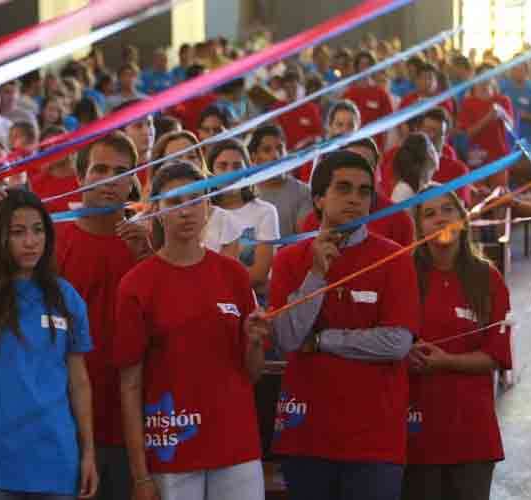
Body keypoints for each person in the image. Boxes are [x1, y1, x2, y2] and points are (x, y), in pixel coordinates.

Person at [269, 151, 420, 500]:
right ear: (319, 198)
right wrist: (317, 275)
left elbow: (397, 342)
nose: (355, 198)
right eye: (344, 188)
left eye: (364, 191)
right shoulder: (290, 259)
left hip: (374, 441)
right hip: (306, 437)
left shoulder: (394, 259)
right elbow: (289, 339)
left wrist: (322, 340)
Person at [115, 161, 270, 500]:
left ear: (207, 208)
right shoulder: (136, 285)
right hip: (172, 448)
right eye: (174, 203)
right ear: (156, 209)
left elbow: (252, 372)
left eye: (195, 201)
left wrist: (256, 343)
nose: (186, 212)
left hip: (235, 447)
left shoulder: (234, 275)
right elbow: (130, 385)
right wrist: (140, 476)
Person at [0, 183, 98, 499]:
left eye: (38, 230)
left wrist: (88, 451)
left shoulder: (67, 298)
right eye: (18, 232)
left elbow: (79, 382)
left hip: (54, 454)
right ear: (1, 238)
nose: (30, 241)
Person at [56, 132, 150, 500]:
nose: (110, 179)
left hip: (132, 423)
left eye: (121, 171)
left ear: (133, 182)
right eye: (100, 169)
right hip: (68, 421)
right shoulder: (53, 242)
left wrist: (147, 256)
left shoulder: (145, 242)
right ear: (80, 178)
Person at [401, 188, 510, 500]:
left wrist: (446, 361)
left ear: (462, 219)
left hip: (472, 435)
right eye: (430, 214)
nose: (440, 219)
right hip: (414, 433)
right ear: (419, 226)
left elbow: (495, 356)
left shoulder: (487, 278)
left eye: (448, 209)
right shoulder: (403, 274)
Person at [206, 140, 280, 302]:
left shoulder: (265, 211)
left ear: (248, 171)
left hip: (252, 300)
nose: (230, 173)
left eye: (237, 166)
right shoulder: (203, 213)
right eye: (222, 166)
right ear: (210, 172)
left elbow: (259, 275)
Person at [249, 125, 312, 238]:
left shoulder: (303, 191)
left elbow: (304, 238)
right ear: (254, 157)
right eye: (267, 150)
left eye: (280, 148)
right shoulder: (244, 193)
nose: (276, 155)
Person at [457, 64, 514, 188]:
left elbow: (511, 127)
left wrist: (502, 114)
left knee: (500, 198)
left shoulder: (503, 100)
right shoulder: (468, 103)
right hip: (477, 157)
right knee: (477, 199)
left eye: (489, 76)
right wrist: (488, 118)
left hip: (499, 156)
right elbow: (468, 133)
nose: (485, 80)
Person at [342, 51, 395, 151]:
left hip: (374, 147)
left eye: (367, 64)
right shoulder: (348, 94)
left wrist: (383, 148)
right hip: (352, 145)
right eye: (361, 64)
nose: (364, 67)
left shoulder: (381, 94)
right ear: (357, 67)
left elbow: (387, 124)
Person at [30, 126, 81, 214]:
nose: (54, 148)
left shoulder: (84, 178)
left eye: (58, 142)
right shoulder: (36, 182)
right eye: (48, 145)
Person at [274, 70, 324, 153]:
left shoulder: (310, 107)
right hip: (287, 154)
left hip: (308, 152)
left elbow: (320, 134)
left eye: (293, 88)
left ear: (300, 87)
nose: (291, 92)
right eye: (287, 88)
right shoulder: (278, 108)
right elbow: (275, 134)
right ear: (283, 89)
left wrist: (306, 141)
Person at [390, 133, 439, 203]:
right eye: (432, 146)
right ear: (428, 155)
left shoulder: (429, 185)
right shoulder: (403, 191)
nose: (436, 151)